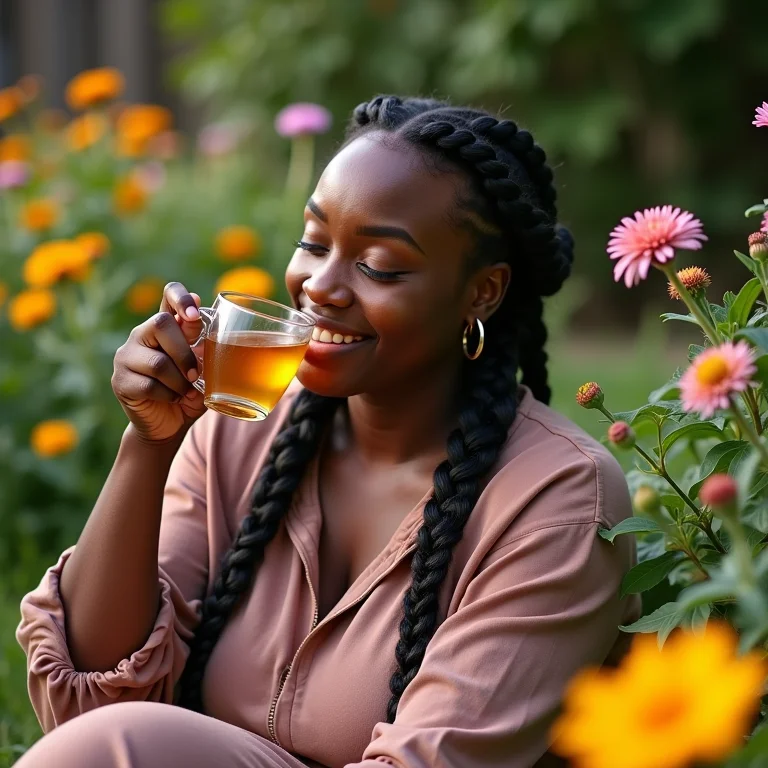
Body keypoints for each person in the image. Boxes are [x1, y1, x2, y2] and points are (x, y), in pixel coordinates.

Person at [15, 96, 639, 768]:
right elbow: (91, 695)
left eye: (380, 266)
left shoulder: (557, 500)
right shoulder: (237, 434)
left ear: (481, 293)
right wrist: (149, 446)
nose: (321, 286)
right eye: (314, 242)